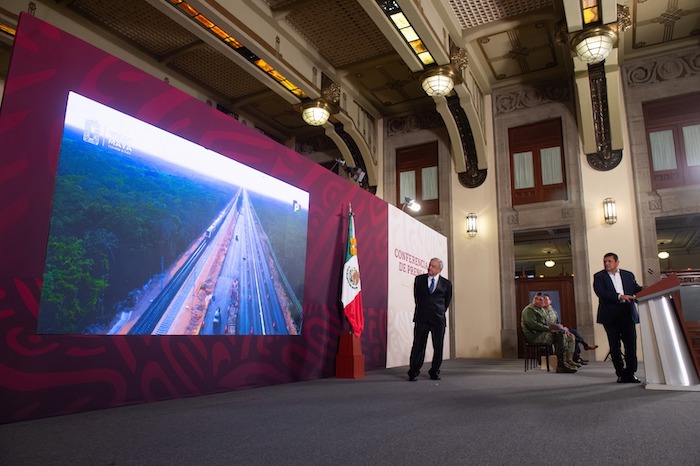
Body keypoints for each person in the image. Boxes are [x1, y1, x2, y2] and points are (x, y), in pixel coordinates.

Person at [593, 252, 644, 383]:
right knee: (614, 346)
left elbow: (635, 288)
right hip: (610, 315)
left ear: (617, 262)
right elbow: (601, 292)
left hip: (627, 313)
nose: (606, 264)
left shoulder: (628, 275)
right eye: (605, 261)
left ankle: (631, 373)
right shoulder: (599, 276)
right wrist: (620, 296)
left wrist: (645, 289)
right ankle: (621, 373)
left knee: (631, 345)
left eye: (609, 261)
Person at [408, 258, 453, 381]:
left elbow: (446, 301)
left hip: (438, 320)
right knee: (418, 345)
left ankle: (434, 372)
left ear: (439, 269)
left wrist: (438, 311)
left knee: (438, 347)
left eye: (433, 266)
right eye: (429, 265)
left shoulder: (446, 284)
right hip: (421, 318)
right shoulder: (419, 279)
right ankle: (413, 371)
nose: (429, 268)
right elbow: (417, 298)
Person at [521, 293, 576, 373]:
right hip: (534, 336)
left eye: (540, 299)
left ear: (544, 302)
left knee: (564, 334)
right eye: (535, 298)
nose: (537, 301)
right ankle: (561, 365)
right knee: (559, 335)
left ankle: (566, 361)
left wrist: (559, 328)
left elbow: (549, 323)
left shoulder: (542, 310)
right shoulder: (529, 310)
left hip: (542, 333)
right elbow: (533, 325)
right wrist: (550, 329)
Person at [542, 294, 580, 369]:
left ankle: (569, 359)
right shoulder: (541, 312)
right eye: (543, 300)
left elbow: (558, 323)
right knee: (561, 337)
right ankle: (562, 362)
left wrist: (564, 330)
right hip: (547, 333)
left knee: (571, 337)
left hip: (557, 331)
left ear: (550, 301)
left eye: (546, 299)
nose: (545, 301)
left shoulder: (554, 312)